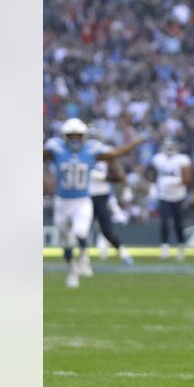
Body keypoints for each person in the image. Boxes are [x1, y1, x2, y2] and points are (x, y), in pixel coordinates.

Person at [44, 119, 141, 288]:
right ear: (65, 137)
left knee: (81, 233)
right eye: (71, 136)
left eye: (78, 136)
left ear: (84, 137)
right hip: (62, 202)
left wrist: (135, 143)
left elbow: (114, 154)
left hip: (82, 200)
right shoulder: (56, 149)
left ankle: (83, 256)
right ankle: (72, 269)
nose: (74, 139)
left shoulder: (91, 150)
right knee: (66, 243)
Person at [88, 129, 133, 266]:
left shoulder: (107, 152)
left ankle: (122, 252)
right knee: (81, 229)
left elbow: (118, 174)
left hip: (102, 195)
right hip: (84, 196)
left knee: (106, 229)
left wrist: (103, 177)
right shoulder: (81, 153)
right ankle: (83, 258)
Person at [151, 138, 192, 262]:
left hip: (178, 196)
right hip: (163, 195)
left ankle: (181, 249)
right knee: (164, 223)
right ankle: (164, 248)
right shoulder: (158, 159)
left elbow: (187, 179)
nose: (169, 150)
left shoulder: (182, 159)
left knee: (178, 223)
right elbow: (153, 175)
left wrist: (177, 181)